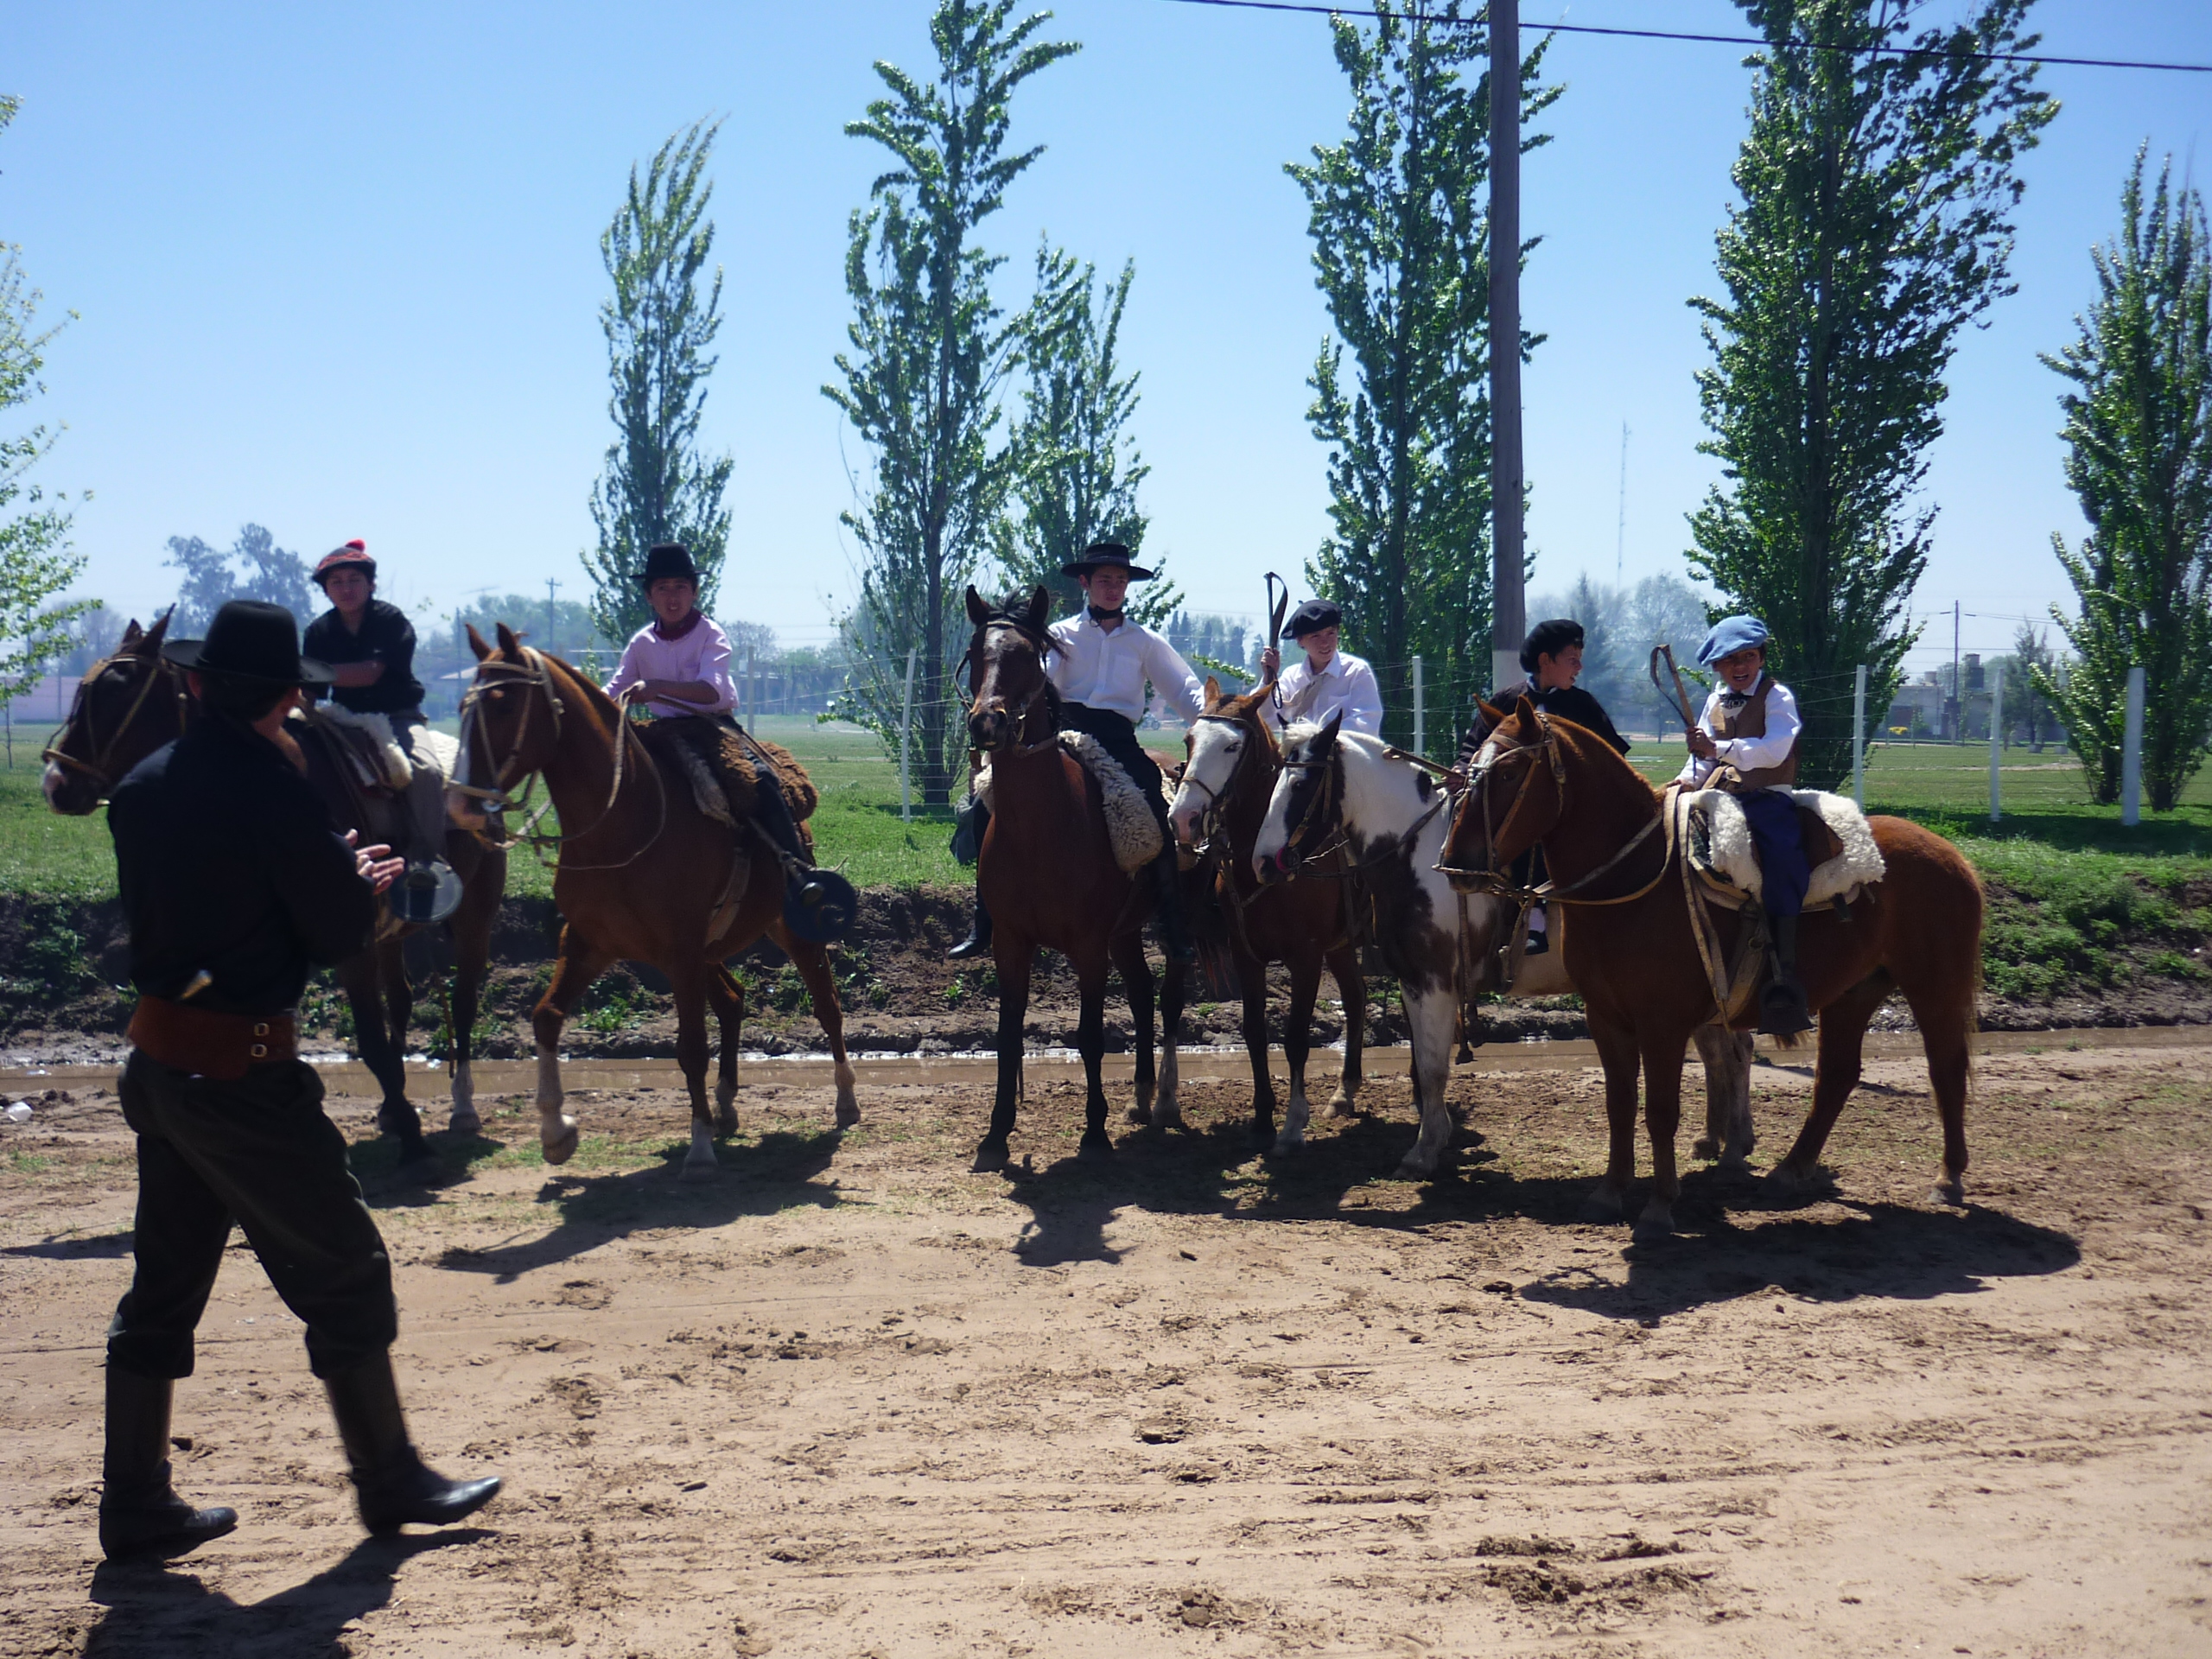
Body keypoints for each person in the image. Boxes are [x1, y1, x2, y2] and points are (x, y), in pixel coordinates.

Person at [98, 599, 499, 1560]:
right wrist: (351, 883)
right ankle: (389, 1481)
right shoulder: (276, 790)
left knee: (162, 1290)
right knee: (348, 1273)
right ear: (284, 697)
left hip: (159, 1062)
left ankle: (134, 1502)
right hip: (244, 1075)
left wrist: (315, 879)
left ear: (195, 685)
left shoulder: (143, 787)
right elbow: (335, 937)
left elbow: (200, 911)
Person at [949, 542, 1205, 963]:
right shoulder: (1058, 635)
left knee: (1157, 815)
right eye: (1105, 579)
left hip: (1119, 739)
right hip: (1063, 733)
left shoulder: (1145, 641)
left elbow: (1183, 689)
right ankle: (984, 922)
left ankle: (1172, 927)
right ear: (1086, 583)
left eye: (1120, 580)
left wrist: (1220, 716)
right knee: (983, 803)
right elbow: (1034, 681)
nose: (1113, 588)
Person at [601, 542, 823, 912]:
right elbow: (614, 689)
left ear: (694, 591)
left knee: (761, 780)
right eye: (662, 588)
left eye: (680, 587)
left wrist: (656, 688)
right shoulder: (641, 642)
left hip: (712, 729)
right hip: (660, 732)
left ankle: (798, 873)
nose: (672, 598)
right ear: (648, 596)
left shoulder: (710, 634)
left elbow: (711, 691)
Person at [1450, 618, 1630, 956]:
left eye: (1580, 658)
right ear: (1546, 661)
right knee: (1519, 824)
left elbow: (1613, 757)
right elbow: (1473, 747)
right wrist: (1462, 769)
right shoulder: (1506, 701)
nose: (1580, 666)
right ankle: (1526, 918)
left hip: (1577, 812)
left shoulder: (1583, 706)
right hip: (1525, 808)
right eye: (1572, 659)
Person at [301, 539, 457, 922]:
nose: (346, 588)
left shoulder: (391, 621)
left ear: (370, 585)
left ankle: (424, 860)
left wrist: (311, 672)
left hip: (398, 714)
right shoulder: (318, 632)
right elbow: (311, 691)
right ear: (326, 590)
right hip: (341, 715)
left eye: (354, 579)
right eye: (335, 582)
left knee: (426, 771)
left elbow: (372, 673)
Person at [1674, 614, 1814, 1037]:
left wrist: (1717, 747)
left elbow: (1774, 751)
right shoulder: (1715, 700)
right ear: (1716, 666)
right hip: (1722, 793)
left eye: (1748, 657)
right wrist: (1684, 780)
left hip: (1768, 797)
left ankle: (1784, 978)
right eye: (1730, 659)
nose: (1740, 666)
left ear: (1761, 659)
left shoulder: (1777, 696)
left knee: (1783, 859)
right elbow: (1702, 759)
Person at [1258, 598, 1382, 735]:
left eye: (1331, 633)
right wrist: (1268, 679)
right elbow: (1267, 720)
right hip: (1299, 754)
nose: (1325, 643)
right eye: (1315, 636)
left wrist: (1318, 739)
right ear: (1300, 641)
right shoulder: (1292, 677)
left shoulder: (1356, 671)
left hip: (1343, 754)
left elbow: (1366, 723)